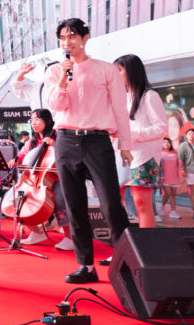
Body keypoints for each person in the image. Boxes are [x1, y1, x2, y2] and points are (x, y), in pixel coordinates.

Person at [43, 18, 132, 283]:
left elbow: (119, 110)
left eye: (72, 36)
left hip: (97, 141)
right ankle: (86, 266)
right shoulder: (54, 71)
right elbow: (57, 106)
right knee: (75, 206)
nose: (67, 42)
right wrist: (62, 78)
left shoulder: (107, 70)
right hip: (66, 141)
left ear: (85, 37)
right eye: (62, 38)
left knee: (111, 205)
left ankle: (128, 260)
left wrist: (125, 145)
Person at [113, 54, 167, 229]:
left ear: (131, 72)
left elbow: (162, 128)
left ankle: (147, 247)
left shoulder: (149, 96)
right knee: (115, 203)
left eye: (118, 71)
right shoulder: (121, 97)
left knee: (141, 203)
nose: (115, 75)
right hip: (121, 156)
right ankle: (121, 246)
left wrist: (133, 133)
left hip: (144, 157)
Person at [15, 109, 73, 250]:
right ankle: (36, 232)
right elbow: (23, 158)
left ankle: (70, 237)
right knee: (20, 199)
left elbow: (69, 155)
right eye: (31, 120)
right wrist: (16, 162)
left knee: (59, 199)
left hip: (58, 178)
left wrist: (55, 146)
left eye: (37, 119)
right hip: (38, 180)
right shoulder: (32, 142)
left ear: (47, 121)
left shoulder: (58, 137)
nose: (33, 123)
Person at [159, 137, 183, 220]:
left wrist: (181, 172)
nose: (166, 144)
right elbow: (159, 167)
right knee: (168, 193)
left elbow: (179, 165)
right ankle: (163, 206)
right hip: (165, 177)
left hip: (174, 176)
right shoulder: (159, 153)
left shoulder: (175, 153)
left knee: (173, 195)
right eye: (164, 142)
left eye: (168, 142)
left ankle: (173, 212)